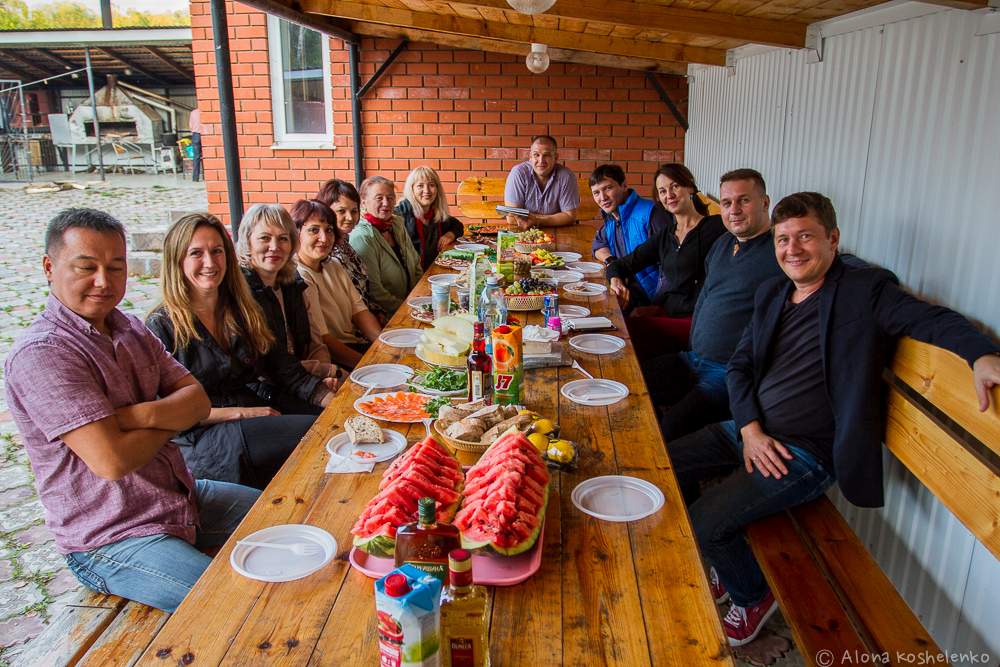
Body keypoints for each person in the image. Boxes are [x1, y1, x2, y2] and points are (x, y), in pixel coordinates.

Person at [668, 191, 1000, 647]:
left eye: (806, 236)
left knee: (707, 520)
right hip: (751, 431)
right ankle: (729, 559)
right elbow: (741, 365)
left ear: (833, 239)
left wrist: (982, 353)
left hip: (805, 452)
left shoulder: (865, 292)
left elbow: (932, 320)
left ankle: (752, 594)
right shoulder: (773, 292)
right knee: (666, 467)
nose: (792, 249)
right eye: (784, 239)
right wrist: (750, 430)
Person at [4, 208, 261, 613]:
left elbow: (197, 401)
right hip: (113, 536)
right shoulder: (43, 353)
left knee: (290, 519)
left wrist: (130, 417)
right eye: (86, 267)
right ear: (49, 267)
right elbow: (112, 460)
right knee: (232, 608)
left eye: (116, 267)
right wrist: (168, 417)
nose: (103, 281)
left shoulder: (128, 327)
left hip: (179, 498)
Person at [146, 213, 331, 487]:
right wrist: (243, 413)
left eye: (217, 251)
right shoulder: (161, 325)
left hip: (251, 408)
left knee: (332, 422)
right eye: (196, 253)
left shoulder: (240, 308)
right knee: (316, 434)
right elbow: (166, 415)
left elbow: (281, 367)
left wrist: (332, 400)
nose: (210, 263)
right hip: (205, 437)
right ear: (177, 260)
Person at [643, 168, 783, 441]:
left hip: (728, 374)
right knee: (632, 384)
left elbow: (833, 266)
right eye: (728, 203)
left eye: (744, 200)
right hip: (694, 358)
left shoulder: (780, 251)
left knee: (667, 430)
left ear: (765, 202)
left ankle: (677, 476)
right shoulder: (723, 243)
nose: (734, 210)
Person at [606, 163, 726, 352]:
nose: (668, 195)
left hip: (697, 321)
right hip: (670, 313)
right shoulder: (667, 235)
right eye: (662, 191)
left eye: (675, 186)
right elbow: (622, 264)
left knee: (620, 333)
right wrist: (616, 280)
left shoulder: (716, 227)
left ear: (690, 187)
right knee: (617, 321)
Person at [236, 204, 340, 408]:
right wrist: (325, 375)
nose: (274, 247)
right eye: (265, 238)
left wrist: (326, 377)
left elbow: (314, 342)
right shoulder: (244, 292)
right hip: (266, 392)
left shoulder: (291, 283)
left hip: (302, 377)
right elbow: (274, 367)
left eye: (283, 238)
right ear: (247, 241)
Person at [291, 199, 382, 369]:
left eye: (329, 230)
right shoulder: (299, 275)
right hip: (335, 358)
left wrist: (384, 346)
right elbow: (324, 339)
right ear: (296, 233)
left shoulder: (333, 264)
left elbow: (360, 312)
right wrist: (368, 364)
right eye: (313, 230)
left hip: (355, 344)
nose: (324, 238)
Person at [589, 163, 671, 307]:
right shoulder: (612, 216)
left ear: (624, 185)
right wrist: (611, 263)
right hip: (627, 286)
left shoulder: (652, 213)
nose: (603, 197)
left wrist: (656, 307)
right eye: (596, 193)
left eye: (608, 188)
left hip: (652, 296)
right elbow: (599, 244)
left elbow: (670, 267)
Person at [316, 178, 387, 324]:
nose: (350, 217)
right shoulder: (326, 253)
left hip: (369, 320)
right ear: (326, 211)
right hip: (351, 330)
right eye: (341, 211)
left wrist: (377, 312)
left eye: (354, 211)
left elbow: (362, 295)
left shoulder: (346, 243)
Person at [349, 175, 422, 316]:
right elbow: (375, 292)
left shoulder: (396, 223)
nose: (386, 203)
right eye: (379, 198)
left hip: (413, 304)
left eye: (390, 197)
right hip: (387, 314)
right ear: (363, 203)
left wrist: (420, 297)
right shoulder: (362, 236)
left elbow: (416, 263)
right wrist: (407, 309)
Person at [503, 135, 579, 230]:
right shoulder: (518, 173)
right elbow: (512, 218)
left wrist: (537, 220)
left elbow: (569, 216)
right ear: (530, 157)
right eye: (536, 155)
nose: (541, 160)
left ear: (555, 157)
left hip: (558, 232)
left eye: (546, 155)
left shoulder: (566, 176)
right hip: (523, 233)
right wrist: (555, 218)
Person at [396, 166, 465, 270]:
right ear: (412, 189)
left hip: (433, 272)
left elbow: (458, 225)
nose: (426, 190)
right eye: (420, 186)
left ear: (437, 189)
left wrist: (450, 234)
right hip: (410, 279)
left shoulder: (435, 214)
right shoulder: (402, 211)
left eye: (431, 185)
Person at [188, 106, 202, 183]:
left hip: (196, 135)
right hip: (205, 134)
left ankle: (195, 178)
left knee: (196, 157)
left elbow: (190, 126)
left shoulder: (193, 112)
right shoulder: (204, 112)